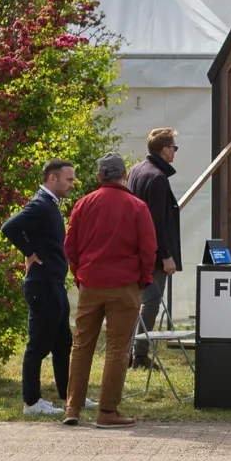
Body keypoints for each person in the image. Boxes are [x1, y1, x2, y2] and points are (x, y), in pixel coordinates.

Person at [61, 152, 155, 428]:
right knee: (117, 348)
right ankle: (107, 412)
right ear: (124, 176)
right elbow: (148, 249)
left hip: (90, 283)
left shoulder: (83, 204)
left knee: (81, 346)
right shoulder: (137, 206)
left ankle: (72, 408)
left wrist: (79, 275)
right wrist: (142, 279)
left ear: (99, 177)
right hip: (125, 285)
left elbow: (71, 245)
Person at [0, 158, 76, 417]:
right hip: (42, 284)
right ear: (52, 179)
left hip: (54, 283)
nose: (72, 184)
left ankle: (70, 396)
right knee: (38, 345)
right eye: (68, 180)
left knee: (63, 342)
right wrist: (29, 252)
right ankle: (32, 402)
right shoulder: (41, 205)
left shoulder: (50, 205)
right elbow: (9, 227)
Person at [125, 128, 183, 359]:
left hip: (134, 249)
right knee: (150, 304)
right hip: (154, 254)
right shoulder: (157, 177)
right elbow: (157, 223)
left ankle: (127, 352)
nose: (175, 152)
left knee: (134, 303)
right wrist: (167, 256)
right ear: (164, 150)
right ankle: (139, 355)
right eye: (174, 148)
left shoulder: (137, 170)